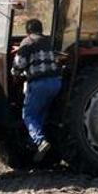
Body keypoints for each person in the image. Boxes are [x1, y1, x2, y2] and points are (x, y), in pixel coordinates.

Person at [12, 18, 61, 161]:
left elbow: (19, 64)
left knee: (28, 114)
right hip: (56, 83)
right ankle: (32, 144)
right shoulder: (49, 41)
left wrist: (14, 74)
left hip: (40, 84)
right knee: (41, 114)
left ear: (28, 31)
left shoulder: (27, 42)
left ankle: (40, 141)